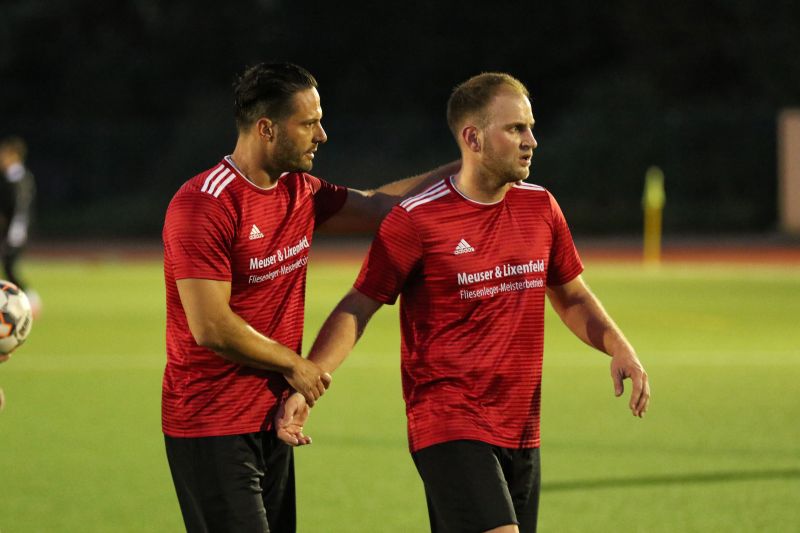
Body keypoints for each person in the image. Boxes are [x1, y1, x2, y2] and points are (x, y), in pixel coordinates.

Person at [284, 73, 650, 533]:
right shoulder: (417, 219)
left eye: (530, 127)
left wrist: (620, 347)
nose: (531, 141)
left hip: (521, 427)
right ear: (473, 138)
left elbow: (571, 295)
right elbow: (359, 305)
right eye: (515, 129)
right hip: (446, 422)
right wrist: (308, 381)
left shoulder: (542, 208)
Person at [162, 61, 457, 533]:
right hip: (211, 423)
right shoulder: (204, 203)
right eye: (308, 123)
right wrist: (295, 364)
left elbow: (382, 206)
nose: (322, 134)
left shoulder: (300, 191)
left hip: (273, 418)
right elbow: (210, 326)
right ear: (267, 129)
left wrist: (471, 164)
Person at [0, 136, 39, 315]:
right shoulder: (10, 178)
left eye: (4, 154)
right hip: (9, 231)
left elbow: (20, 210)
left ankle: (30, 300)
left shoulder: (19, 179)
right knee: (8, 267)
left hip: (14, 232)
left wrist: (15, 232)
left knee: (8, 266)